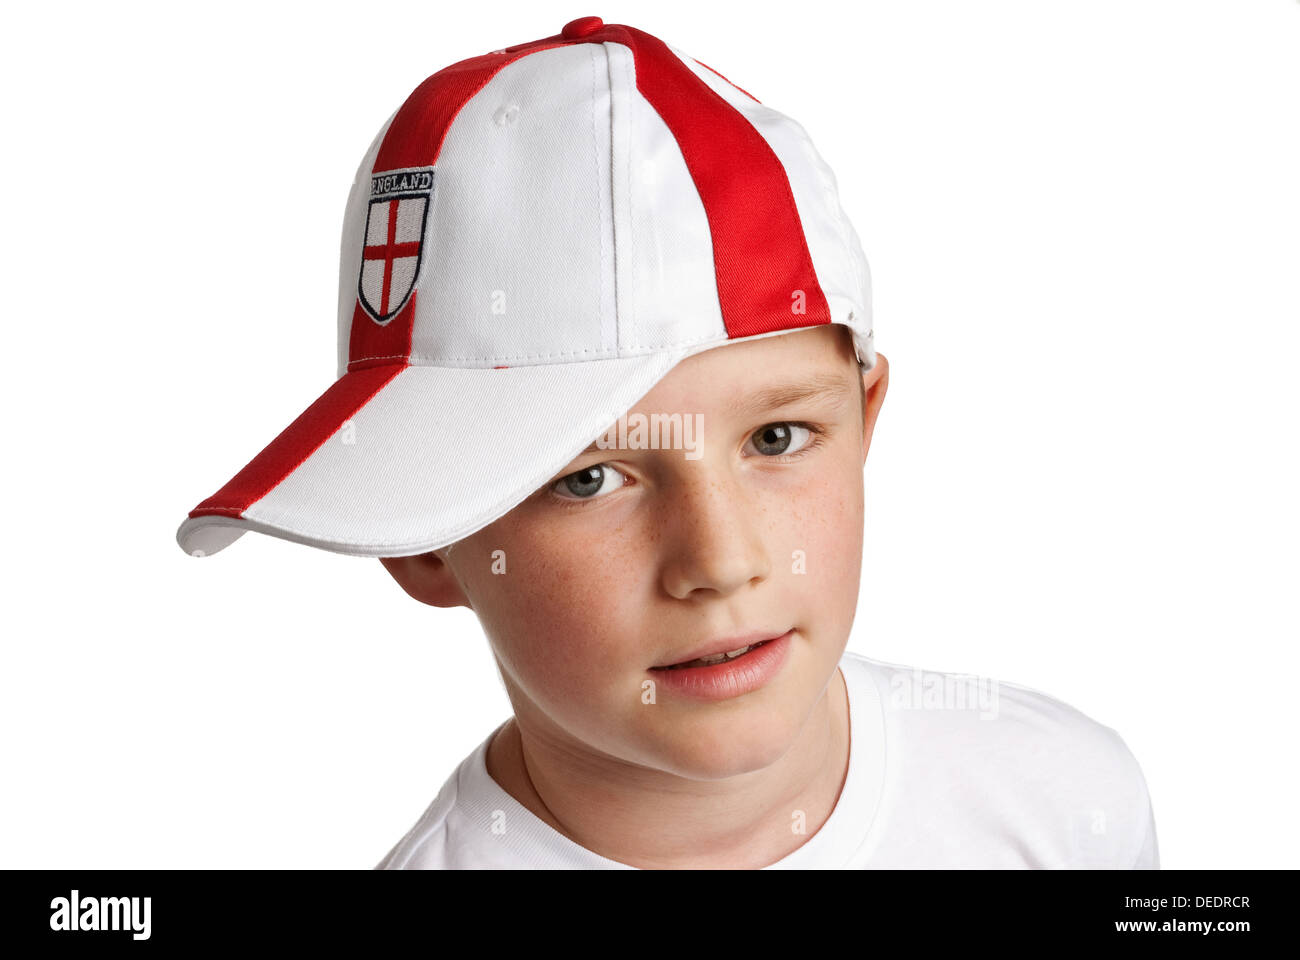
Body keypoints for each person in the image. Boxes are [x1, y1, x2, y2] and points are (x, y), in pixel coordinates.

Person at [177, 17, 1158, 869]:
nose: (720, 562)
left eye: (777, 435)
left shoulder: (1066, 800)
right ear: (424, 537)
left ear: (865, 421)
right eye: (588, 477)